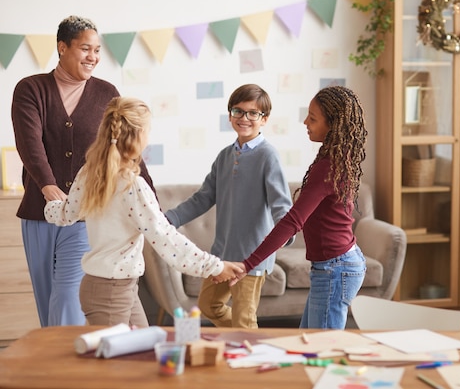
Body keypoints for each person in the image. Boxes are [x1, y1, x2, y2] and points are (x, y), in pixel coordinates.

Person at [43, 97, 243, 327]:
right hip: (111, 292)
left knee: (143, 351)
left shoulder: (90, 172)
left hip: (112, 286)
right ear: (137, 135)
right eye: (148, 131)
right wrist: (215, 266)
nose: (148, 137)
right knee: (116, 363)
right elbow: (165, 238)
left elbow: (66, 214)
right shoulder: (131, 185)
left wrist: (51, 204)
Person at [11, 15, 155, 327]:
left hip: (85, 214)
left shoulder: (106, 93)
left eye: (97, 50)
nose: (93, 57)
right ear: (62, 48)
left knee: (67, 297)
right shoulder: (31, 89)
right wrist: (48, 188)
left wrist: (153, 202)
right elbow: (29, 143)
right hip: (40, 212)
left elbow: (127, 148)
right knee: (47, 298)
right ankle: (57, 368)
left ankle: (72, 366)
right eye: (85, 49)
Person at [230, 85, 368, 329]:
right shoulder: (336, 158)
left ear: (333, 124)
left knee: (323, 350)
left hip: (335, 269)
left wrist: (248, 264)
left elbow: (293, 221)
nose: (305, 122)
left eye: (313, 118)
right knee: (307, 343)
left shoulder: (329, 166)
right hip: (338, 264)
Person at [165, 84, 293, 328]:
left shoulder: (268, 156)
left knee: (244, 320)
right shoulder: (225, 156)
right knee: (208, 305)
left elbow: (281, 205)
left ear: (264, 119)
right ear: (230, 115)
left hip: (252, 257)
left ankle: (248, 355)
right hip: (222, 255)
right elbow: (203, 197)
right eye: (238, 111)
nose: (244, 118)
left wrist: (285, 234)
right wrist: (168, 219)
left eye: (252, 113)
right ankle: (240, 340)